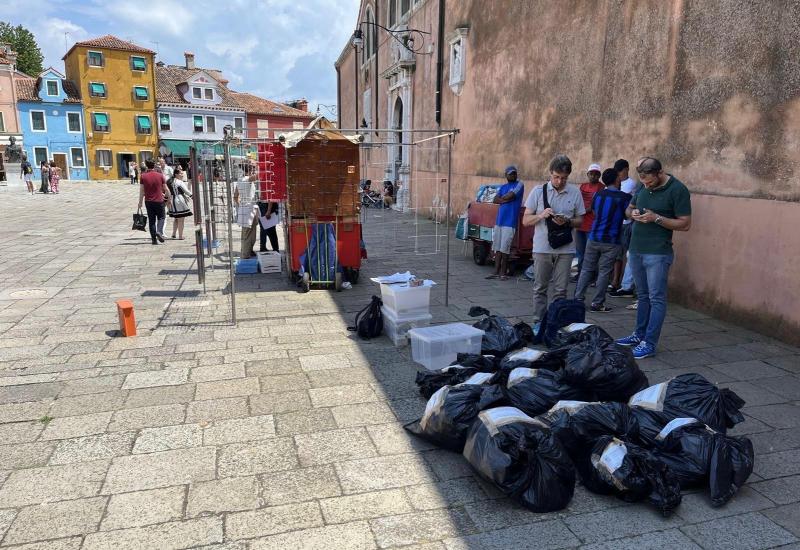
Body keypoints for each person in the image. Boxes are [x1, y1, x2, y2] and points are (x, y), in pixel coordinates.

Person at [616, 157, 692, 359]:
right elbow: (628, 208)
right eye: (643, 181)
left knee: (656, 298)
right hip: (636, 249)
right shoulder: (642, 186)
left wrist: (656, 218)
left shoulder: (678, 190)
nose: (646, 184)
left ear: (659, 173)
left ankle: (649, 343)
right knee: (642, 296)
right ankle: (638, 335)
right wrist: (633, 214)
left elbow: (685, 224)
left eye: (649, 181)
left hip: (658, 252)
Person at [522, 154, 585, 326]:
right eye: (556, 177)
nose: (559, 181)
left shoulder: (574, 192)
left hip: (566, 249)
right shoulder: (537, 191)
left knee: (561, 290)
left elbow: (580, 220)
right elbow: (526, 221)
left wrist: (568, 221)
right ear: (550, 173)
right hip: (542, 248)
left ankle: (556, 324)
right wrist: (541, 215)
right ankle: (539, 323)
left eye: (564, 178)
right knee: (540, 288)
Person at [574, 168, 632, 311]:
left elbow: (593, 211)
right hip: (611, 241)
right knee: (604, 272)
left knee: (586, 269)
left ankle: (578, 299)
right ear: (617, 179)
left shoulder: (598, 195)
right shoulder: (624, 198)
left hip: (593, 237)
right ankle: (597, 303)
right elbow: (627, 216)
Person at [487, 165, 524, 281]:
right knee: (497, 248)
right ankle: (495, 272)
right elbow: (495, 199)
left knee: (505, 249)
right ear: (506, 175)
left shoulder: (519, 185)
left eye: (514, 173)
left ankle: (503, 273)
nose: (512, 175)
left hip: (510, 222)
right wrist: (505, 199)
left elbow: (511, 195)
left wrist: (503, 199)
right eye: (510, 174)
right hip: (499, 221)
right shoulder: (503, 187)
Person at [609, 158, 638, 297]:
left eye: (620, 172)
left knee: (625, 254)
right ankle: (616, 282)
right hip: (616, 223)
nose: (619, 175)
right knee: (617, 254)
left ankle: (621, 283)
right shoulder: (615, 183)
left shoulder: (632, 184)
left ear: (626, 170)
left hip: (626, 224)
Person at [573, 163, 605, 281]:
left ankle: (592, 276)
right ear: (588, 174)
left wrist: (581, 211)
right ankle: (581, 274)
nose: (593, 176)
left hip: (592, 225)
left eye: (596, 174)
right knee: (580, 253)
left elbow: (593, 206)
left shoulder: (601, 188)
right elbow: (578, 201)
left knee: (591, 253)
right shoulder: (583, 186)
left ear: (599, 175)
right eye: (591, 174)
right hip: (580, 224)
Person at [138, 159, 172, 245]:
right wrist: (168, 198)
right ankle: (159, 232)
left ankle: (154, 240)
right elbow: (166, 189)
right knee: (161, 217)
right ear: (154, 165)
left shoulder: (143, 176)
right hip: (159, 200)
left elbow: (142, 191)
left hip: (148, 201)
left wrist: (140, 202)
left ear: (146, 165)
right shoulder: (160, 176)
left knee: (151, 220)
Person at [233, 173, 259, 258]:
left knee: (249, 234)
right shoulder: (247, 179)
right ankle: (245, 254)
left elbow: (235, 196)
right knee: (248, 234)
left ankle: (248, 251)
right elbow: (258, 176)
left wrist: (240, 205)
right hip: (249, 209)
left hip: (246, 208)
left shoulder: (240, 180)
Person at [167, 166, 192, 239]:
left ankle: (174, 234)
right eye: (181, 173)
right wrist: (193, 196)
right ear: (176, 174)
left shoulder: (169, 181)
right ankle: (180, 236)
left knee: (176, 218)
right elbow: (186, 191)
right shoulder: (179, 182)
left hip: (172, 200)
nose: (182, 174)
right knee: (181, 219)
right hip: (179, 200)